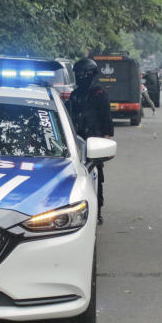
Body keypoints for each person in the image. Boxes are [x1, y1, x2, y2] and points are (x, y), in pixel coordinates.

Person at [66, 57, 114, 224]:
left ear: (90, 74)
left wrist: (105, 141)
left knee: (95, 176)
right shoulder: (75, 95)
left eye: (82, 73)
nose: (79, 76)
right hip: (75, 141)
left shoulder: (100, 94)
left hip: (94, 141)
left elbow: (106, 119)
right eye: (77, 73)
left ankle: (97, 211)